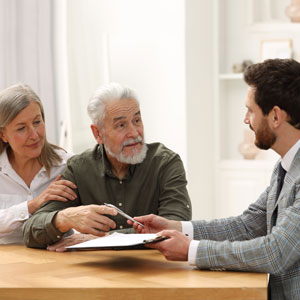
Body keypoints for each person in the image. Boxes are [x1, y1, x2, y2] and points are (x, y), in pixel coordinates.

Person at [130, 59, 300, 300]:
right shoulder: (284, 167)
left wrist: (191, 250)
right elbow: (248, 225)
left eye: (250, 110)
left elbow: (276, 252)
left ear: (275, 116)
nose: (245, 119)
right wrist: (175, 227)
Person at [23, 82, 192, 250]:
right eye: (121, 125)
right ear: (98, 133)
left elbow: (176, 228)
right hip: (97, 274)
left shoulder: (165, 163)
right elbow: (31, 232)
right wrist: (64, 218)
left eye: (137, 120)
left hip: (156, 271)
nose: (134, 132)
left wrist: (102, 240)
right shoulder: (79, 168)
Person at [0, 83, 77, 244]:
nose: (34, 135)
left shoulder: (69, 165)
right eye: (21, 128)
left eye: (37, 122)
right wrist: (31, 206)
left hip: (59, 263)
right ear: (3, 135)